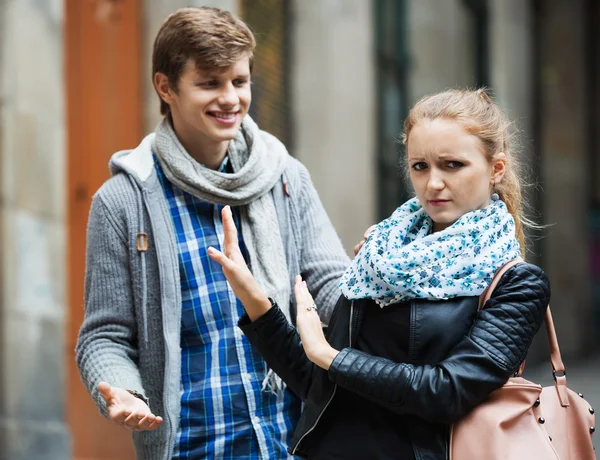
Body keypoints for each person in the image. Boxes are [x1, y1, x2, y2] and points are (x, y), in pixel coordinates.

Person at [208, 88, 551, 459]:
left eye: (452, 164)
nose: (433, 183)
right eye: (420, 166)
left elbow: (447, 392)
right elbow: (318, 384)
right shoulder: (382, 258)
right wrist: (256, 303)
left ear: (495, 169)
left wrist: (331, 356)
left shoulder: (517, 284)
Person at [75, 6, 350, 460]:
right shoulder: (123, 201)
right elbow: (103, 335)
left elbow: (330, 288)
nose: (230, 99)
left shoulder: (285, 178)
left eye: (239, 82)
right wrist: (122, 389)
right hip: (193, 447)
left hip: (297, 440)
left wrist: (383, 286)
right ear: (166, 87)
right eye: (209, 83)